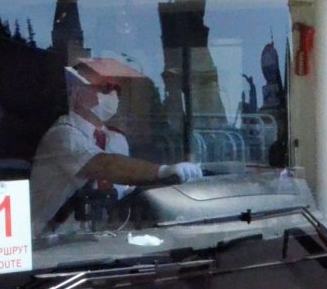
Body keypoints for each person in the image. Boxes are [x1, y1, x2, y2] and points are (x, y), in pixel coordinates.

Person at [29, 56, 203, 231]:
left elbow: (123, 190)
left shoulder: (116, 140)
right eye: (105, 88)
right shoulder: (62, 135)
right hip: (51, 245)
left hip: (101, 243)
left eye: (117, 90)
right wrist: (163, 171)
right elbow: (104, 165)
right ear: (77, 92)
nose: (113, 95)